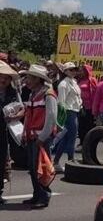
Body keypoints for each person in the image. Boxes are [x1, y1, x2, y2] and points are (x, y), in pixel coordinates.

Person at [21, 65, 57, 208]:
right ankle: (37, 195)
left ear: (37, 79)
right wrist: (24, 134)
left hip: (41, 139)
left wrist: (42, 137)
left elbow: (51, 118)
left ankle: (44, 196)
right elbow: (29, 116)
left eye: (29, 78)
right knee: (33, 168)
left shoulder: (48, 94)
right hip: (32, 138)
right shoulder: (33, 94)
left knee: (41, 169)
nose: (26, 81)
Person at [52, 62, 82, 166]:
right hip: (68, 112)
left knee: (65, 138)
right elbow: (61, 102)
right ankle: (71, 160)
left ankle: (56, 161)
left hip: (75, 110)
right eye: (71, 70)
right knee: (72, 137)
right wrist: (62, 117)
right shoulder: (63, 84)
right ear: (65, 71)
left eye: (74, 69)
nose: (73, 71)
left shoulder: (74, 82)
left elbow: (77, 97)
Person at [0, 61, 21, 204]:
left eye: (7, 78)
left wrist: (17, 115)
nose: (3, 80)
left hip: (5, 131)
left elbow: (21, 107)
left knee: (2, 161)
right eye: (1, 77)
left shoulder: (12, 92)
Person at [76, 64, 97, 145]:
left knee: (88, 126)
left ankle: (88, 143)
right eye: (79, 71)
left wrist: (95, 108)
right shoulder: (79, 80)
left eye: (81, 71)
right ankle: (82, 142)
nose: (80, 72)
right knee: (81, 126)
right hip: (80, 107)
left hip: (89, 108)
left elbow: (95, 94)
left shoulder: (91, 80)